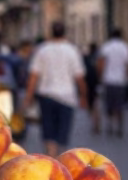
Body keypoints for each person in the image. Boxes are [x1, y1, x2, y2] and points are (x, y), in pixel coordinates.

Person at [23, 21, 88, 157]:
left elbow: (34, 76)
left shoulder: (42, 50)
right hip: (67, 97)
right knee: (62, 133)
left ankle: (51, 156)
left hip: (46, 96)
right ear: (65, 32)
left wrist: (28, 97)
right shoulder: (72, 51)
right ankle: (60, 159)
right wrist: (83, 96)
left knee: (49, 131)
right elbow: (79, 77)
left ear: (51, 32)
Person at [97, 28, 128, 137]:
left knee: (109, 104)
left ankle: (109, 124)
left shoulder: (106, 47)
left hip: (108, 80)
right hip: (121, 81)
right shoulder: (126, 47)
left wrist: (100, 76)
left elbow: (101, 63)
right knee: (120, 105)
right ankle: (119, 126)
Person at [83, 42, 101, 135]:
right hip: (96, 83)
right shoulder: (98, 58)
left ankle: (94, 123)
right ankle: (96, 123)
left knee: (91, 104)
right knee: (95, 104)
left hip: (88, 83)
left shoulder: (86, 58)